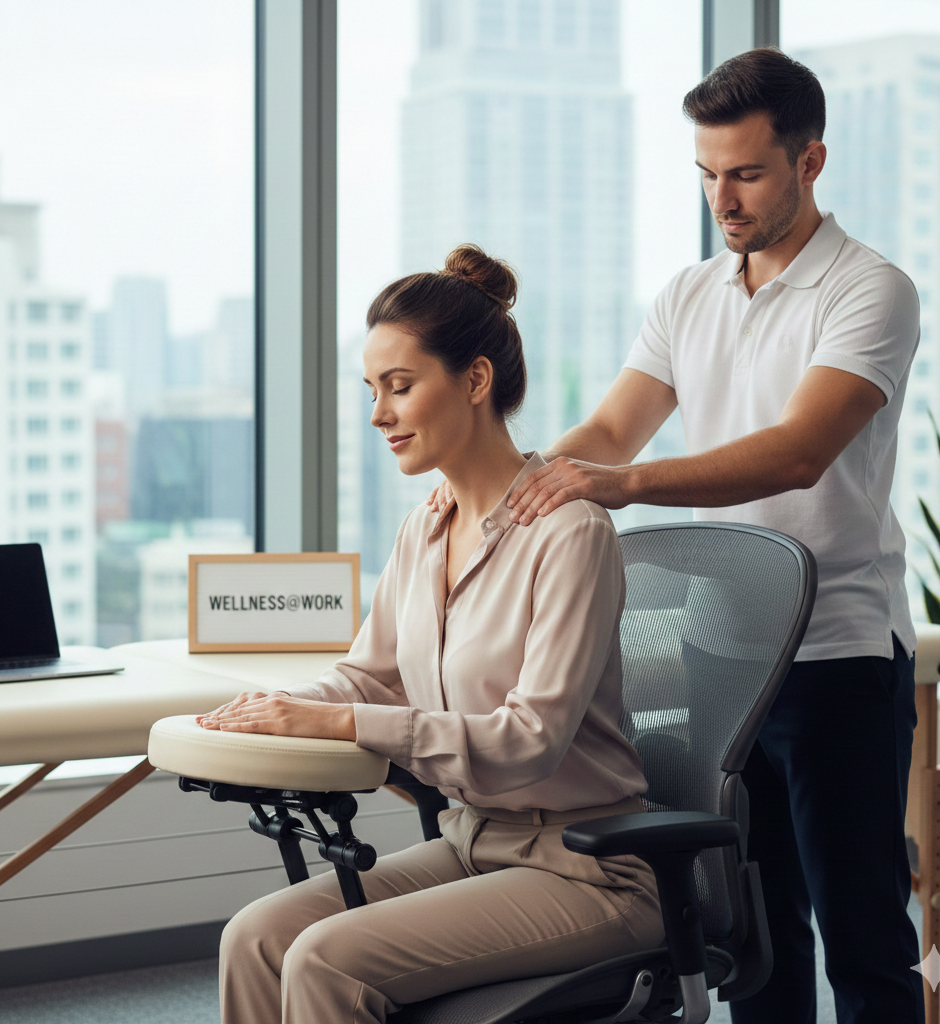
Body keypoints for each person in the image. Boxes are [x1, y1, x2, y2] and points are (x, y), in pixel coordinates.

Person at [432, 48, 923, 1024]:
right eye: (706, 174)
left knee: (863, 939)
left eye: (743, 172)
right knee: (753, 938)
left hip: (837, 657)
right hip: (721, 654)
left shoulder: (869, 289)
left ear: (808, 161)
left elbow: (795, 451)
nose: (722, 197)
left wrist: (614, 485)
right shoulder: (689, 292)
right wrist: (510, 488)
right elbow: (610, 431)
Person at [196, 244, 664, 1024]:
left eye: (400, 387)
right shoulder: (425, 528)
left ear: (475, 381)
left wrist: (338, 722)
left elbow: (530, 739)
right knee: (257, 937)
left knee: (324, 962)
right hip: (471, 841)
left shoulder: (571, 534)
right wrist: (279, 707)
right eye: (372, 390)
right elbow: (370, 676)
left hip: (589, 870)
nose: (379, 414)